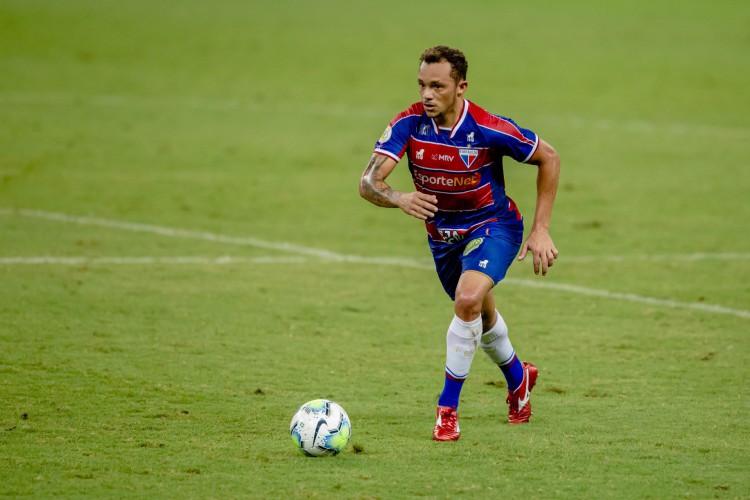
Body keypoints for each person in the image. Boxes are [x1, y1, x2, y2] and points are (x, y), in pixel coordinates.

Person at [359, 45, 560, 441]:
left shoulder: (487, 127)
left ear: (461, 87)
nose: (426, 94)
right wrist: (399, 198)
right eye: (422, 85)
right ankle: (519, 378)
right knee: (479, 315)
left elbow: (549, 157)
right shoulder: (408, 124)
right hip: (443, 239)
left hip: (494, 226)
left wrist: (541, 229)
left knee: (467, 301)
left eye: (437, 86)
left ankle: (447, 410)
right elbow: (368, 183)